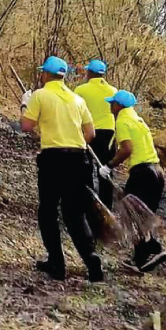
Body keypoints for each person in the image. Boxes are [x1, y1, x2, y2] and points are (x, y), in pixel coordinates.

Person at [19, 56, 104, 283]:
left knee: (48, 211)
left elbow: (26, 125)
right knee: (74, 214)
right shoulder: (77, 99)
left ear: (46, 74)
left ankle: (56, 263)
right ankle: (91, 258)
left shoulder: (40, 95)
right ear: (63, 75)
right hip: (79, 159)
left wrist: (25, 105)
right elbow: (91, 134)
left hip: (53, 159)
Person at [102, 90, 166, 272]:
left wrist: (109, 166)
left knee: (133, 214)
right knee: (143, 216)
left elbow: (127, 149)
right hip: (156, 172)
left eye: (112, 103)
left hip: (143, 174)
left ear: (119, 106)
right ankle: (141, 259)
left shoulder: (123, 120)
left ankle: (154, 249)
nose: (110, 106)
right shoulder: (137, 119)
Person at [74, 60, 118, 207]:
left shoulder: (80, 90)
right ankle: (106, 205)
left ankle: (88, 201)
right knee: (105, 169)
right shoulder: (113, 91)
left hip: (88, 132)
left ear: (90, 73)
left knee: (86, 167)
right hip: (109, 133)